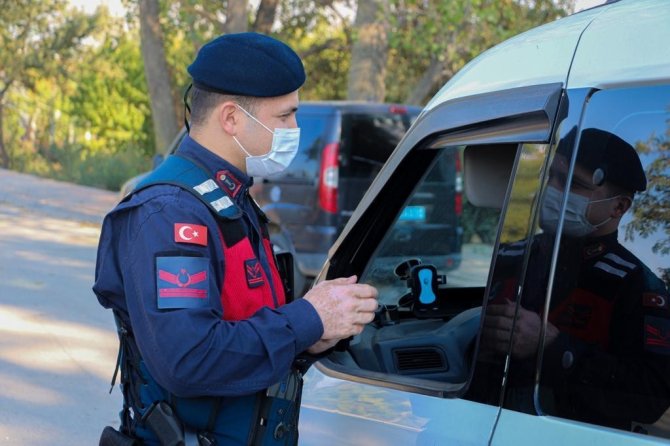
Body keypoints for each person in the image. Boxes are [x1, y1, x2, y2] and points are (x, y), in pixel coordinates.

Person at [93, 32, 378, 445]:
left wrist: (313, 334)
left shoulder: (229, 197)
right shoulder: (171, 212)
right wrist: (307, 318)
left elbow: (244, 324)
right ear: (231, 119)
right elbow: (189, 359)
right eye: (284, 117)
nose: (294, 129)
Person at [480, 128, 670, 430]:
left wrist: (552, 347)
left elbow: (651, 398)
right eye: (553, 176)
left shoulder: (636, 285)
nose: (554, 190)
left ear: (619, 207)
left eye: (575, 184)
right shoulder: (508, 257)